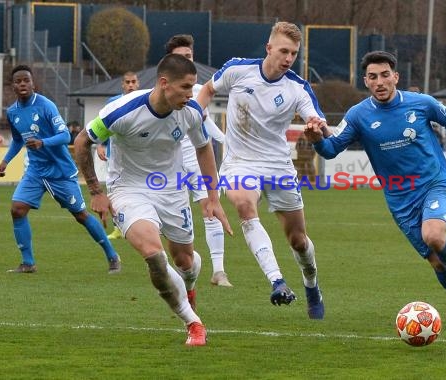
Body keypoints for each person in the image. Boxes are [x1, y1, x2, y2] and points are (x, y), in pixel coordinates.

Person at [304, 51, 446, 329]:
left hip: (433, 183)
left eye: (384, 75)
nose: (379, 82)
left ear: (395, 77)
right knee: (436, 262)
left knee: (434, 236)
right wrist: (317, 139)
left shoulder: (422, 103)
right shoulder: (358, 115)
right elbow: (331, 150)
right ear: (365, 81)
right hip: (399, 199)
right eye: (372, 77)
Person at [73, 54, 232, 346]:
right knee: (154, 256)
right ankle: (193, 323)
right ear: (164, 83)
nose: (190, 94)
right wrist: (96, 191)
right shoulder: (122, 111)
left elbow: (203, 148)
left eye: (193, 87)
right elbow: (83, 141)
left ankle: (189, 287)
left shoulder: (192, 111)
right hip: (128, 189)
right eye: (185, 87)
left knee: (186, 262)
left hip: (171, 191)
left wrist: (212, 197)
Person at [196, 21, 325, 319]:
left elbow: (315, 119)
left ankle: (311, 284)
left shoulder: (297, 87)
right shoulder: (238, 70)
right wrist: (194, 114)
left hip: (279, 167)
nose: (288, 58)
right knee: (243, 204)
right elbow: (207, 89)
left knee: (298, 240)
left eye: (294, 53)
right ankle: (277, 281)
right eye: (283, 51)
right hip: (240, 163)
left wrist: (315, 127)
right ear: (269, 48)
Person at [0, 64, 121, 274]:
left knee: (80, 215)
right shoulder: (13, 112)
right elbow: (18, 140)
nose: (22, 84)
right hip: (36, 170)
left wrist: (42, 143)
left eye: (26, 80)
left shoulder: (46, 106)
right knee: (17, 209)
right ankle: (28, 263)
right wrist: (6, 161)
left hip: (60, 171)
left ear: (33, 83)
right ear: (12, 86)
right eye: (18, 81)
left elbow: (66, 137)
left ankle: (112, 255)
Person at [165, 34, 232, 287]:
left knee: (210, 207)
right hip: (167, 162)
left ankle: (219, 271)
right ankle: (177, 261)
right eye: (182, 57)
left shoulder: (198, 91)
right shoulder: (159, 92)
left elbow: (205, 123)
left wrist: (226, 140)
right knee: (165, 214)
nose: (187, 61)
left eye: (189, 57)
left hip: (195, 158)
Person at [97, 71, 141, 240]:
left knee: (143, 189)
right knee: (114, 191)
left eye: (133, 81)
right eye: (127, 82)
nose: (130, 85)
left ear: (138, 84)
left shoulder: (144, 101)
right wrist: (100, 144)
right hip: (115, 158)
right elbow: (103, 126)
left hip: (139, 158)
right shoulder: (113, 102)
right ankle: (118, 227)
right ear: (123, 84)